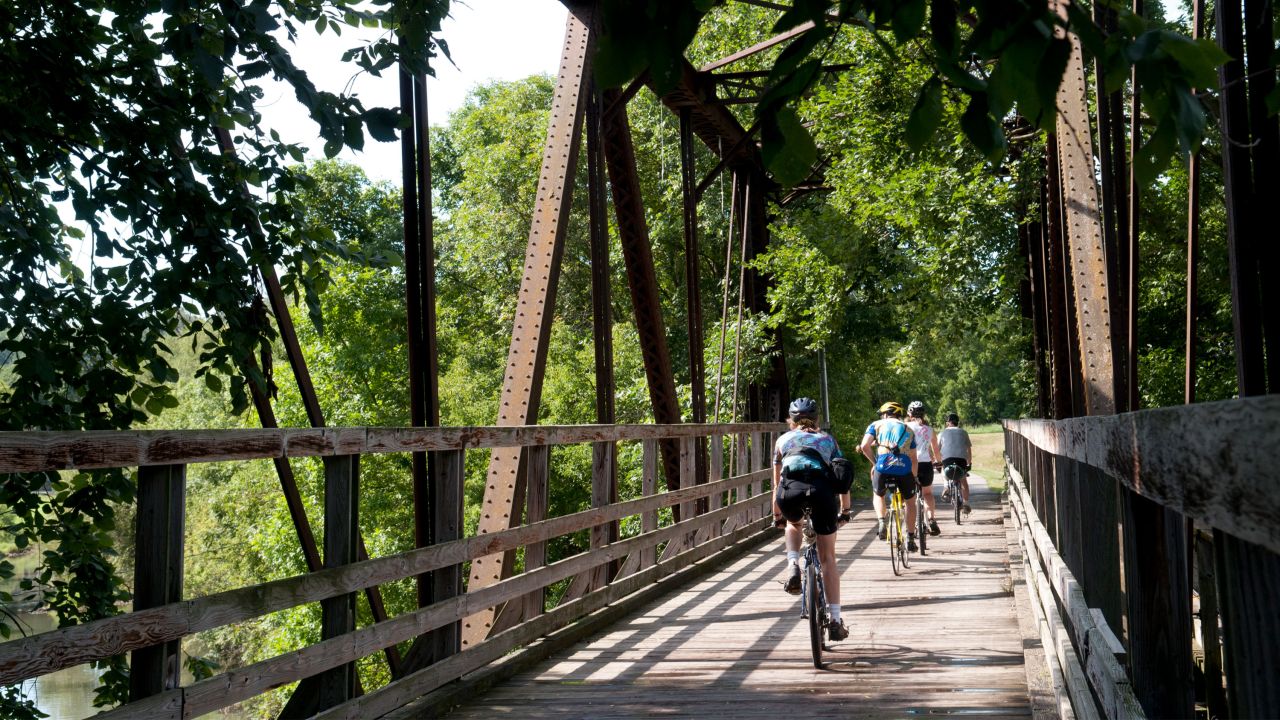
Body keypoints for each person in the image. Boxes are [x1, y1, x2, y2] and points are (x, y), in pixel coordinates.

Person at [772, 396, 851, 642]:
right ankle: (835, 621)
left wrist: (777, 514)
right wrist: (845, 510)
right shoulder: (828, 440)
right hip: (821, 493)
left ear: (790, 420)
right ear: (817, 419)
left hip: (790, 492)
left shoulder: (782, 440)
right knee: (828, 559)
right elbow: (841, 475)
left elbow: (776, 482)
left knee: (793, 523)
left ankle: (793, 564)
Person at [859, 401, 920, 552]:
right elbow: (913, 458)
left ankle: (881, 522)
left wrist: (875, 463)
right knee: (910, 503)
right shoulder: (909, 429)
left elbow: (864, 446)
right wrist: (914, 477)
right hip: (903, 469)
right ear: (899, 414)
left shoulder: (876, 424)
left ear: (885, 414)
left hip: (883, 467)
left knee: (878, 495)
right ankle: (911, 538)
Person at [906, 400, 943, 536]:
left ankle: (911, 524)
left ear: (910, 413)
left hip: (910, 464)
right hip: (926, 464)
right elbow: (935, 450)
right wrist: (938, 462)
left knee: (909, 497)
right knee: (927, 493)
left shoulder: (905, 427)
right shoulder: (929, 429)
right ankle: (931, 519)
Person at [939, 412, 973, 515]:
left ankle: (946, 486)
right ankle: (966, 503)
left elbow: (937, 448)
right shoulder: (963, 432)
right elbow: (968, 449)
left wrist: (938, 460)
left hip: (947, 460)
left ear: (947, 423)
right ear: (957, 422)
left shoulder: (942, 433)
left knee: (943, 470)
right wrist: (969, 462)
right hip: (961, 461)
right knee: (963, 481)